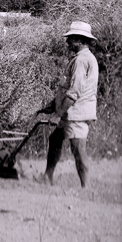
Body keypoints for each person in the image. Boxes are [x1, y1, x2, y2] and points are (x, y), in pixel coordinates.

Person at [37, 21, 99, 188]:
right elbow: (67, 90)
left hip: (76, 113)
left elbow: (74, 92)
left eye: (70, 39)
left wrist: (57, 115)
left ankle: (86, 187)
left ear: (80, 40)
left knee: (78, 149)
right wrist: (53, 105)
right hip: (71, 112)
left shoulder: (81, 61)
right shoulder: (83, 58)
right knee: (55, 139)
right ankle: (47, 177)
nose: (67, 42)